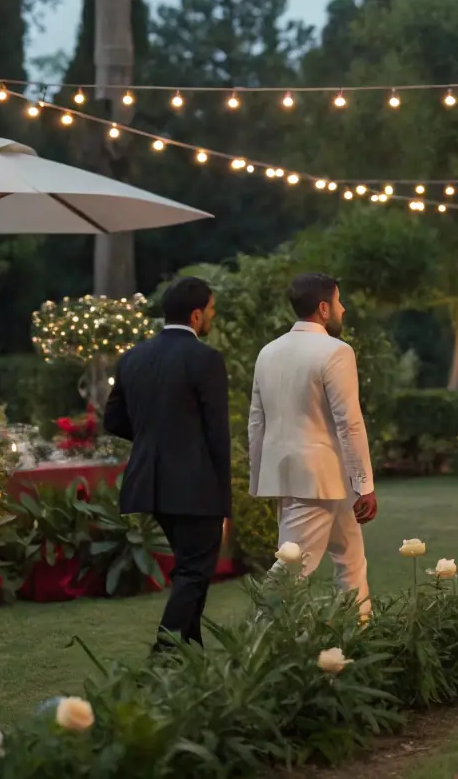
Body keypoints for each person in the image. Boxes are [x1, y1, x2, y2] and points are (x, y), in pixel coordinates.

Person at [104, 275, 231, 652]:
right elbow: (216, 434)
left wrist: (152, 439)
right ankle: (165, 653)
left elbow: (113, 420)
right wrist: (225, 503)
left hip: (149, 481)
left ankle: (188, 654)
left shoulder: (133, 357)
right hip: (195, 485)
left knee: (191, 569)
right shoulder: (206, 359)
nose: (212, 317)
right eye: (210, 311)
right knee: (194, 571)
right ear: (195, 315)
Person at [249, 272, 376, 614]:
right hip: (319, 479)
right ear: (323, 308)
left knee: (352, 561)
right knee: (291, 570)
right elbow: (348, 423)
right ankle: (256, 645)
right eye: (338, 302)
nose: (343, 309)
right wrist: (365, 484)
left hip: (304, 477)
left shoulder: (268, 352)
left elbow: (256, 422)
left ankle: (360, 635)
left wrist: (259, 477)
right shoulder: (336, 351)